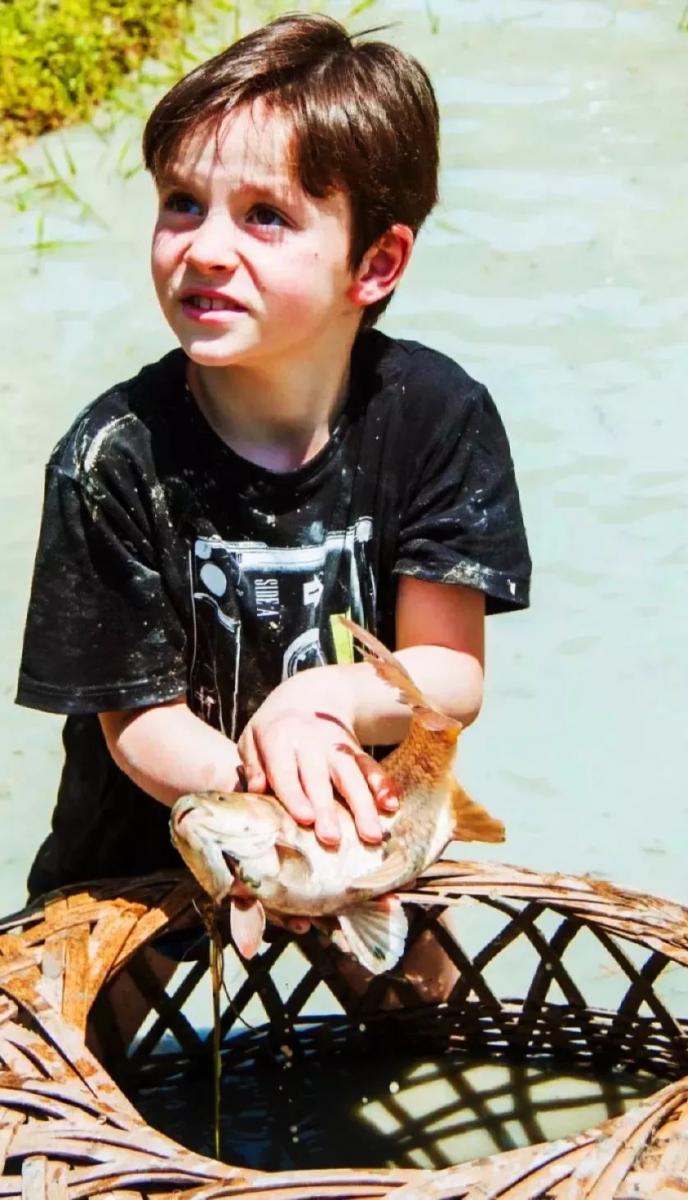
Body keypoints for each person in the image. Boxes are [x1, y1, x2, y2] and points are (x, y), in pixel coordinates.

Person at [16, 14, 531, 954]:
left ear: (375, 263)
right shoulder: (110, 457)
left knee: (427, 998)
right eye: (182, 203)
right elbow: (136, 724)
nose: (206, 248)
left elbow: (450, 676)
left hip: (365, 824)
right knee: (58, 1032)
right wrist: (263, 809)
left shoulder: (435, 415)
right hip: (151, 846)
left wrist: (320, 702)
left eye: (265, 216)